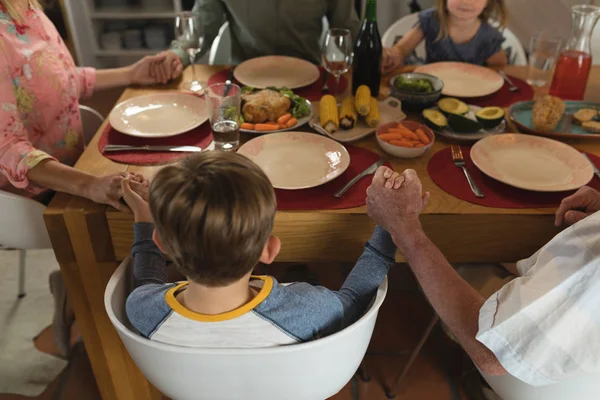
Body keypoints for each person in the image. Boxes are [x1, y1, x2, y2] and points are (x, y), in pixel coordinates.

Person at [0, 0, 180, 357]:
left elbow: (61, 81)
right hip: (30, 193)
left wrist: (134, 72)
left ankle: (79, 280)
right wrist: (90, 185)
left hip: (75, 160)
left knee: (153, 193)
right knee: (145, 217)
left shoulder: (28, 8)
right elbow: (7, 148)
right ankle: (88, 306)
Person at [120, 152, 401, 346]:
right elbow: (352, 301)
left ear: (162, 244)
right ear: (269, 250)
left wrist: (143, 216)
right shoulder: (309, 309)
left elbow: (147, 283)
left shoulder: (142, 309)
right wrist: (391, 224)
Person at [366, 168, 600, 393]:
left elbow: (494, 352)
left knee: (461, 249)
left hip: (533, 380)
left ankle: (480, 384)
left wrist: (404, 226)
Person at [155, 0, 360, 69]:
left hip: (309, 81)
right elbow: (203, 24)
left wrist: (374, 54)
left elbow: (347, 27)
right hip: (243, 81)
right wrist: (178, 54)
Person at [382, 0, 508, 73]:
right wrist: (391, 54)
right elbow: (402, 49)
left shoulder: (489, 37)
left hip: (472, 99)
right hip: (431, 89)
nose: (466, 1)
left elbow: (499, 69)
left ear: (488, 2)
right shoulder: (431, 20)